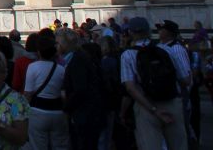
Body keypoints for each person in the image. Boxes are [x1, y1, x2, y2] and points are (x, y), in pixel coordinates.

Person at [120, 15, 187, 150]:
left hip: (146, 106)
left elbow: (130, 88)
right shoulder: (166, 49)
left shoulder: (128, 55)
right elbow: (184, 79)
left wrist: (153, 109)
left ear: (130, 32)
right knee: (178, 145)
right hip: (171, 102)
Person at [58, 27, 105, 149]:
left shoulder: (77, 60)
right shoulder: (77, 57)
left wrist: (67, 106)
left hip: (85, 114)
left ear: (64, 44)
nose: (56, 46)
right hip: (87, 113)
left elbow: (80, 89)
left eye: (57, 43)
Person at [24, 29, 68, 149]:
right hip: (57, 111)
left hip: (38, 111)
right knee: (60, 146)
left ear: (39, 52)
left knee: (38, 146)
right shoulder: (61, 69)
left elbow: (27, 94)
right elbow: (63, 92)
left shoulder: (32, 67)